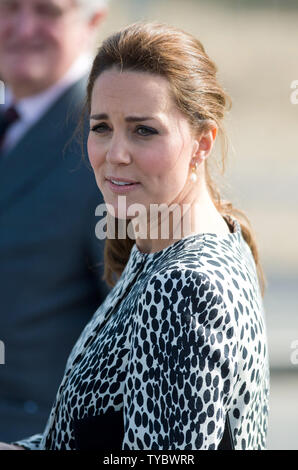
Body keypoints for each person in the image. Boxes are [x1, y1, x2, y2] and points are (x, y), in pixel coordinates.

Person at [1, 21, 270, 450]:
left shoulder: (184, 285)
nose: (115, 154)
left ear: (203, 143)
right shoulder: (162, 251)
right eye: (102, 127)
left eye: (144, 130)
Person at [0, 0, 110, 441]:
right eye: (10, 8)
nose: (25, 28)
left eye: (47, 11)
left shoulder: (107, 146)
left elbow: (136, 332)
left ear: (93, 21)